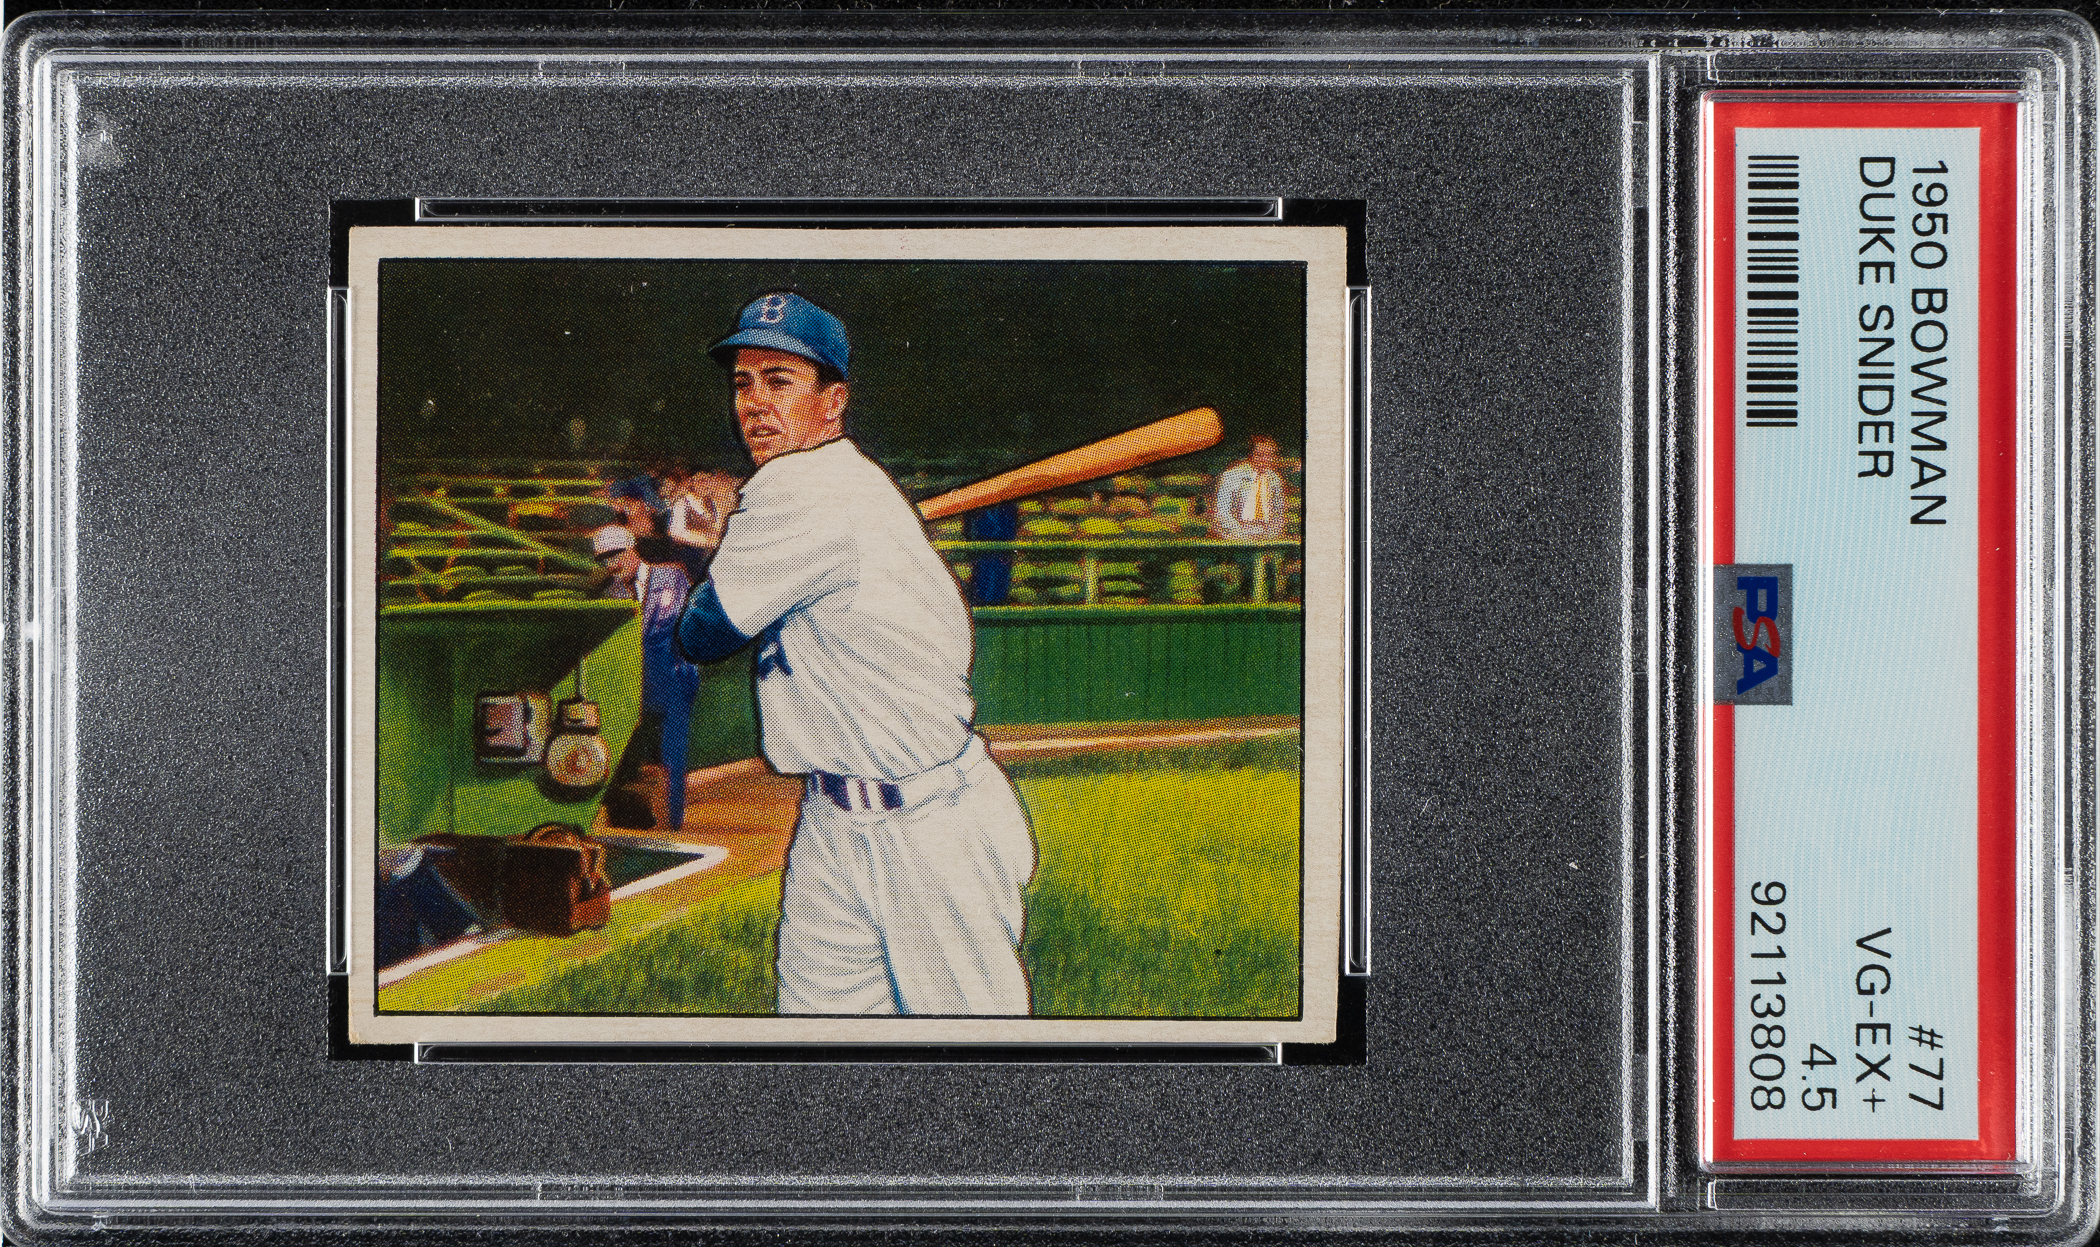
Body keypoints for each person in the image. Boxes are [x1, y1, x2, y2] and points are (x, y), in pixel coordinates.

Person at [674, 291, 1036, 1016]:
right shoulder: (850, 486)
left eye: (780, 380)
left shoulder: (800, 485)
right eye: (743, 382)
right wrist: (733, 547)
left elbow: (703, 632)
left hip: (927, 824)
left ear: (833, 401)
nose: (754, 403)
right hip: (835, 820)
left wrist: (718, 549)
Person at [592, 524, 702, 832]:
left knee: (673, 749)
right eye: (604, 559)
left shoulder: (671, 575)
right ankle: (627, 817)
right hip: (630, 681)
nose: (612, 563)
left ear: (632, 549)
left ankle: (673, 821)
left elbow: (671, 619)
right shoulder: (609, 592)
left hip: (671, 673)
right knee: (625, 752)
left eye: (617, 554)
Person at [1208, 435, 1291, 540]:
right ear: (1250, 456)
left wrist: (1270, 534)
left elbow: (1279, 512)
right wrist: (1242, 534)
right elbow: (1222, 513)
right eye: (1259, 455)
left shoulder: (1274, 479)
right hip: (1234, 533)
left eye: (1269, 455)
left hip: (1265, 534)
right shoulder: (1231, 476)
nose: (1264, 460)